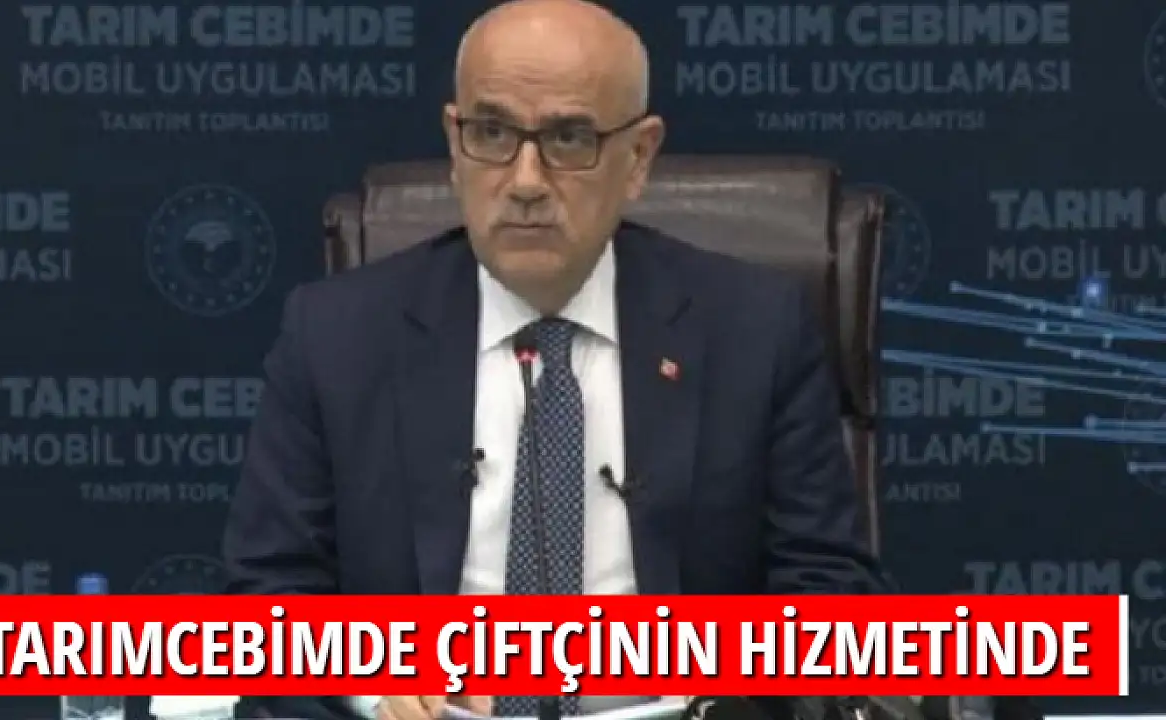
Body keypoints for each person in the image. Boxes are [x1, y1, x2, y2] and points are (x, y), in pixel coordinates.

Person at [224, 0, 889, 718]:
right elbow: (267, 603)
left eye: (570, 138)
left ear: (638, 158)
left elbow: (828, 598)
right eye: (492, 133)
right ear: (454, 144)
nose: (526, 181)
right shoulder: (335, 336)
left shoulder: (753, 330)